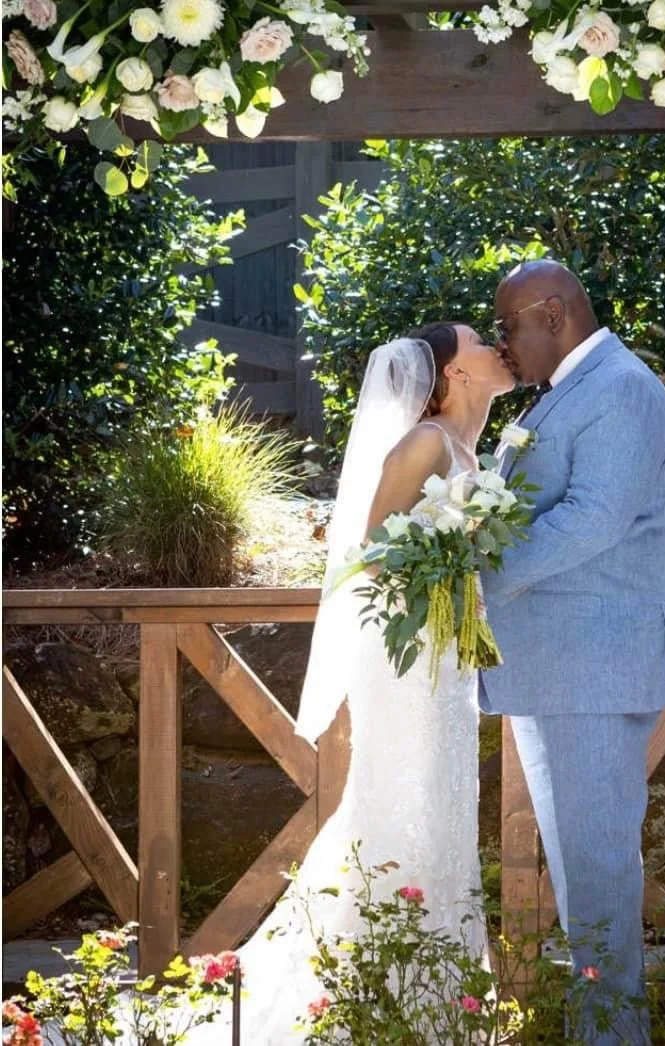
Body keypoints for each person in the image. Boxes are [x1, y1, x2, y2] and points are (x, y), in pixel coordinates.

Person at [187, 323, 515, 1042]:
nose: (499, 350)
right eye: (481, 344)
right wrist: (448, 574)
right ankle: (373, 995)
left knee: (445, 808)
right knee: (402, 803)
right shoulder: (424, 445)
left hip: (447, 663)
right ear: (453, 374)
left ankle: (437, 997)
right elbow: (370, 554)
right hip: (406, 667)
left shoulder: (470, 451)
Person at [481, 259, 665, 1045]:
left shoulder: (621, 389)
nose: (505, 345)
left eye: (509, 327)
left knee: (598, 891)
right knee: (582, 894)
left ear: (553, 311)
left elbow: (591, 522)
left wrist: (471, 569)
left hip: (591, 675)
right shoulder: (575, 390)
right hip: (557, 673)